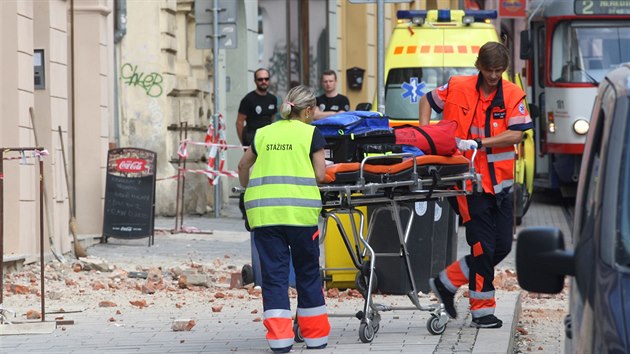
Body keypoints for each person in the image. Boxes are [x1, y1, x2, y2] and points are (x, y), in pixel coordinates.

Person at [418, 42, 533, 329]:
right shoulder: (457, 86)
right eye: (489, 69)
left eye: (499, 70)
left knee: (502, 246)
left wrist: (481, 143)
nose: (494, 76)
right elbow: (426, 101)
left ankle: (446, 282)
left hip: (501, 185)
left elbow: (516, 136)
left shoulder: (513, 94)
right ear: (478, 66)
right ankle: (482, 311)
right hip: (467, 183)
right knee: (482, 247)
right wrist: (427, 135)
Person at [238, 85, 330, 353]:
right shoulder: (311, 133)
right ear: (309, 110)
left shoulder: (265, 133)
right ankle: (315, 339)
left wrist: (245, 190)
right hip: (300, 216)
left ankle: (280, 341)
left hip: (265, 216)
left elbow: (243, 166)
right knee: (308, 274)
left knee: (274, 277)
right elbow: (321, 175)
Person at [236, 68, 280, 220]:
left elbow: (272, 120)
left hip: (267, 143)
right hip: (251, 141)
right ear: (255, 81)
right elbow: (240, 122)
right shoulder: (248, 100)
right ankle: (245, 207)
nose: (264, 82)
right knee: (248, 173)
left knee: (266, 173)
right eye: (260, 79)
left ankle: (265, 204)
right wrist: (244, 143)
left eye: (266, 79)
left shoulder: (273, 99)